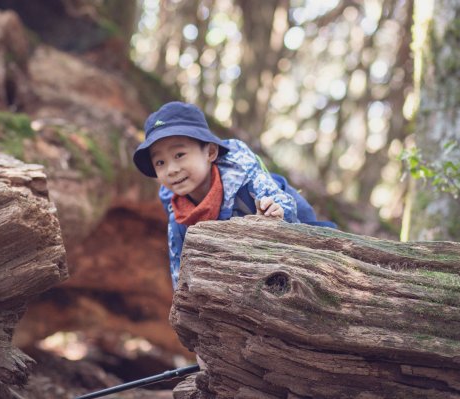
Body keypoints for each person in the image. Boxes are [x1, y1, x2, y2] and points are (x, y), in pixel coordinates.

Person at [133, 101, 335, 290]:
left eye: (179, 155)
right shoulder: (177, 212)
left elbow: (281, 204)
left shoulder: (245, 176)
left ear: (210, 152)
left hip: (299, 233)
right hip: (244, 261)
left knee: (324, 261)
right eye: (160, 162)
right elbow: (180, 266)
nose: (171, 169)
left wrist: (277, 212)